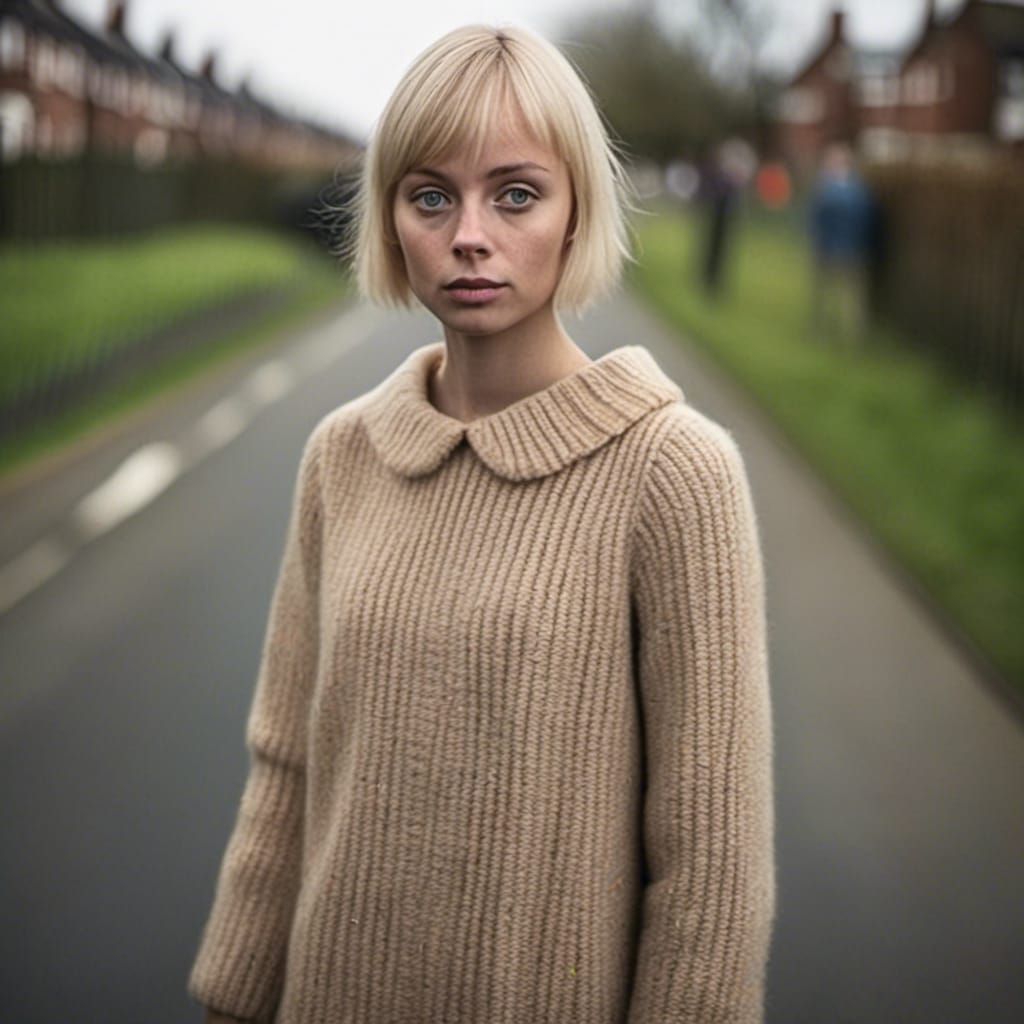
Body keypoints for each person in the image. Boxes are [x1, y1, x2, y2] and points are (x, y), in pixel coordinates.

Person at [186, 23, 776, 1024]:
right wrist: (235, 997)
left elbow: (711, 868)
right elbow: (286, 764)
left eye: (515, 194)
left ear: (576, 210)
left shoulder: (675, 473)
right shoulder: (341, 455)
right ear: (389, 219)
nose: (469, 233)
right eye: (430, 197)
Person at [807, 140, 876, 344]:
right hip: (855, 250)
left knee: (827, 294)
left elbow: (817, 221)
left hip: (830, 249)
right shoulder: (860, 190)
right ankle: (851, 336)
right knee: (850, 297)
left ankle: (823, 332)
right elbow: (867, 221)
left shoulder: (826, 191)